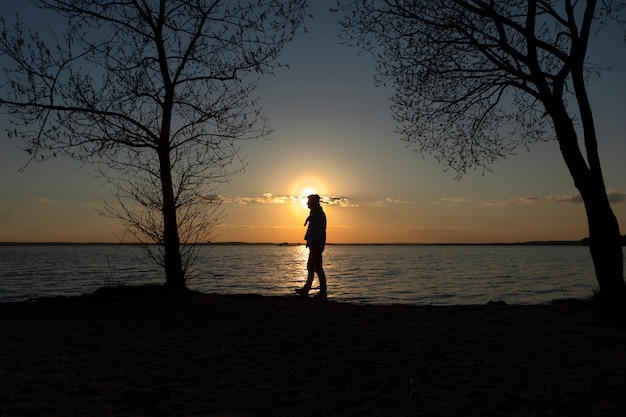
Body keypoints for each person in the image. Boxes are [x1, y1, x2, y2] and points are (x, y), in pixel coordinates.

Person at [295, 194, 327, 300]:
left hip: (316, 244)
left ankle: (322, 291)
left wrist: (314, 242)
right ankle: (307, 288)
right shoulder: (315, 213)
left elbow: (318, 231)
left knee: (317, 267)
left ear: (313, 202)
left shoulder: (317, 214)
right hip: (314, 244)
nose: (307, 203)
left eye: (309, 201)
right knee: (311, 267)